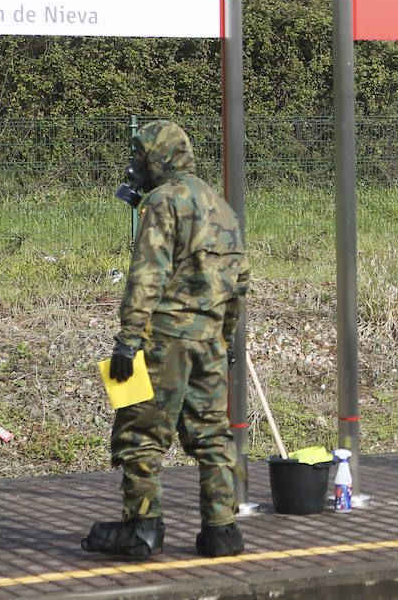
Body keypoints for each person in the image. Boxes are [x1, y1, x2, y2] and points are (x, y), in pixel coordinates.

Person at [82, 120, 250, 558]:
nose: (135, 165)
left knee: (140, 435)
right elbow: (240, 282)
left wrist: (127, 339)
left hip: (163, 340)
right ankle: (222, 530)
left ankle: (142, 527)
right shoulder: (223, 208)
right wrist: (226, 338)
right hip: (210, 339)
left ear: (160, 158)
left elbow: (148, 274)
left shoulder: (161, 201)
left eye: (141, 155)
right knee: (212, 436)